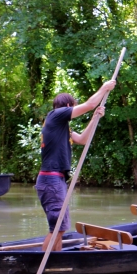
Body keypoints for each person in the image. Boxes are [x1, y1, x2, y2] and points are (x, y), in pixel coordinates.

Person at [36, 80, 116, 251]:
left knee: (60, 227)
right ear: (67, 106)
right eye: (73, 106)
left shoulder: (61, 128)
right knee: (58, 227)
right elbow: (90, 104)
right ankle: (43, 264)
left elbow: (83, 139)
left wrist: (95, 118)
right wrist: (105, 87)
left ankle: (53, 261)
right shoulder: (55, 115)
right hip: (51, 180)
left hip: (55, 181)